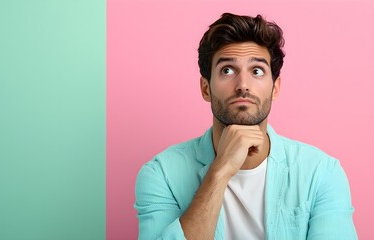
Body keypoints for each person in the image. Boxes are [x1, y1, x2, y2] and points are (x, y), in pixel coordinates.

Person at [134, 13, 357, 240]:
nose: (242, 85)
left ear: (275, 88)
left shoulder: (321, 172)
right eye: (227, 70)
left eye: (257, 71)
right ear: (206, 89)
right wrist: (220, 170)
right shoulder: (161, 174)